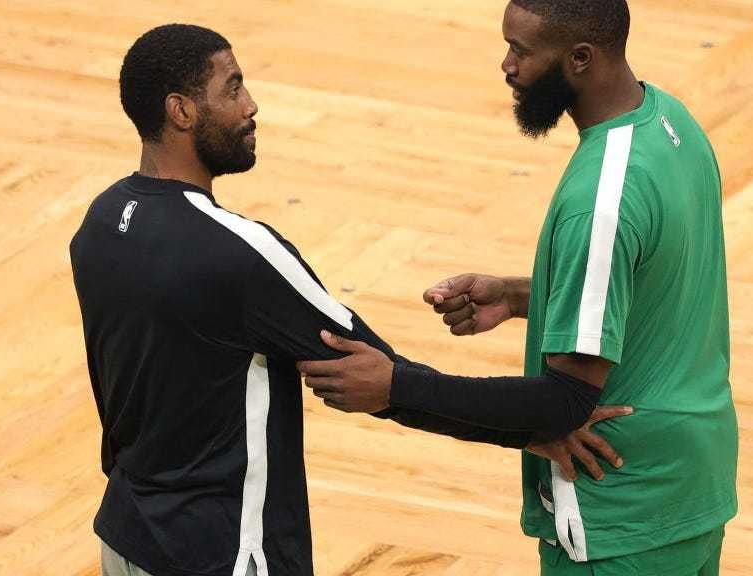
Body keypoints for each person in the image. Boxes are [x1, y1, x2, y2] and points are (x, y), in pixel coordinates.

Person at [71, 22, 629, 576]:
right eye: (233, 88)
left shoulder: (98, 225)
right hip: (222, 557)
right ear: (182, 111)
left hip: (124, 541)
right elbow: (383, 380)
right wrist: (536, 424)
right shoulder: (238, 253)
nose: (251, 105)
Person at [297, 1, 738, 574]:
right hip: (694, 487)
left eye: (521, 51)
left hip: (621, 515)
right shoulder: (670, 123)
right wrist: (518, 296)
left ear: (580, 58)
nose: (507, 66)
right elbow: (652, 282)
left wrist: (396, 387)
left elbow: (563, 405)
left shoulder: (601, 200)